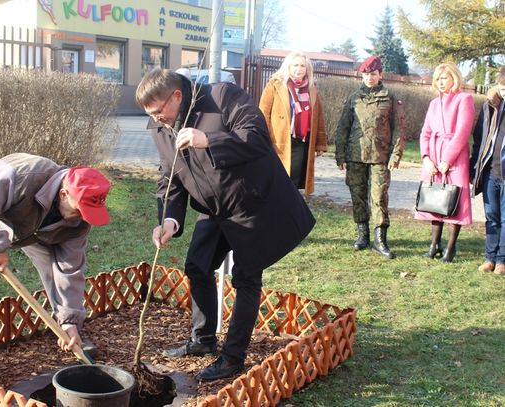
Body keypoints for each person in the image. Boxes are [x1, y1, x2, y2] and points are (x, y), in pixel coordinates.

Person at [135, 68, 315, 381]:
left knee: (245, 277)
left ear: (176, 96)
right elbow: (170, 173)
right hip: (214, 210)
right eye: (149, 114)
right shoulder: (160, 126)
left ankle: (232, 358)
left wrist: (208, 139)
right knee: (197, 266)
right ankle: (203, 340)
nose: (155, 119)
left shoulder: (222, 98)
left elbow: (256, 138)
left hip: (251, 206)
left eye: (157, 111)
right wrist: (169, 218)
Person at [0, 153, 111, 379]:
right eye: (79, 210)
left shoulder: (79, 222)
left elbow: (69, 270)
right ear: (64, 194)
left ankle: (67, 328)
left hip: (31, 229)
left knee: (56, 272)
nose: (80, 218)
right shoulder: (24, 175)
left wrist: (70, 320)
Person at [335, 55, 406, 259]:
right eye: (366, 74)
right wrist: (340, 156)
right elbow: (343, 128)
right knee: (357, 196)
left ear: (380, 74)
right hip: (355, 156)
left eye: (373, 74)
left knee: (379, 197)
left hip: (380, 157)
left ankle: (380, 239)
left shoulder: (390, 97)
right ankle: (362, 235)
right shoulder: (354, 98)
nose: (369, 78)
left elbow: (400, 129)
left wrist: (396, 156)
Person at [415, 62, 475, 262]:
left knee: (453, 199)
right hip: (433, 153)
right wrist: (426, 159)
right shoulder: (433, 104)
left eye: (444, 78)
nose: (441, 82)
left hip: (455, 156)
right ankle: (434, 244)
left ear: (454, 78)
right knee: (434, 199)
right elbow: (425, 133)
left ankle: (450, 248)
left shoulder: (464, 99)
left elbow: (462, 133)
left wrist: (447, 160)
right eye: (438, 79)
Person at [259, 50, 327, 195]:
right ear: (288, 66)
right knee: (276, 180)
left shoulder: (311, 89)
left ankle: (289, 212)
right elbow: (263, 113)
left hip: (301, 142)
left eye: (302, 66)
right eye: (295, 65)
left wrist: (320, 143)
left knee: (293, 183)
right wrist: (263, 138)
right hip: (278, 142)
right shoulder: (275, 85)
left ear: (307, 69)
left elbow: (318, 117)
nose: (299, 69)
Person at [469, 69, 505, 275]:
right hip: (491, 172)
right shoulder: (489, 106)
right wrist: (475, 167)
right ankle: (489, 258)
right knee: (491, 216)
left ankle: (501, 261)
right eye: (502, 89)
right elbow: (479, 140)